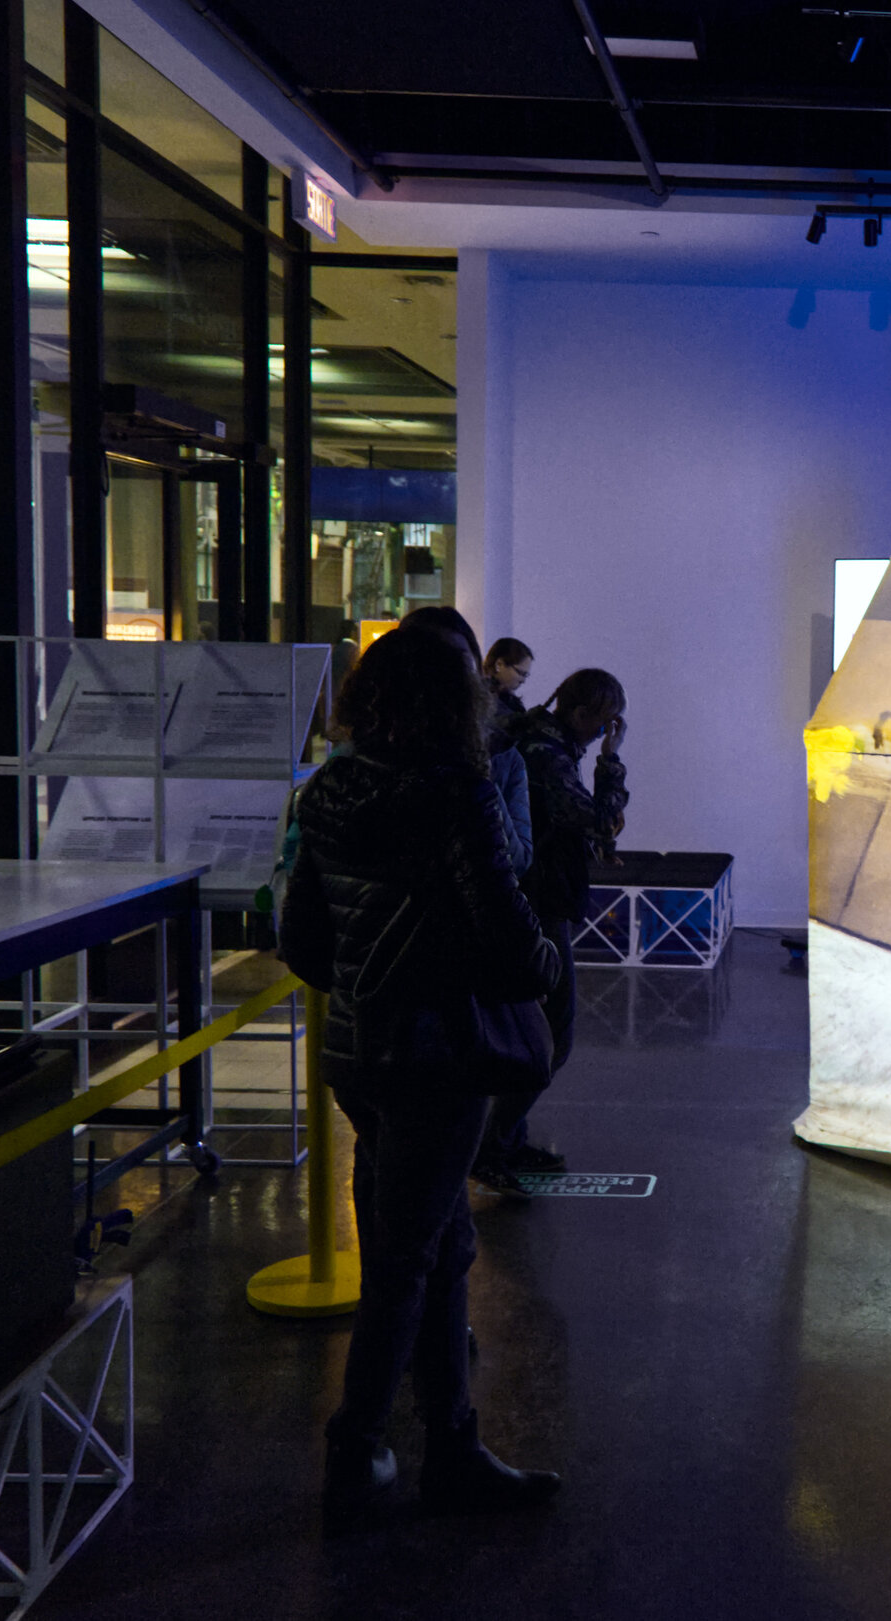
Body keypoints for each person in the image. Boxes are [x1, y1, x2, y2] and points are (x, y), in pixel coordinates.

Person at [289, 627, 563, 1520]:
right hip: (440, 1058)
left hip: (359, 1059)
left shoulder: (328, 788)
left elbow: (301, 941)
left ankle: (452, 1446)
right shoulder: (457, 793)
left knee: (442, 1247)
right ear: (459, 703)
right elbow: (514, 951)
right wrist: (551, 962)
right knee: (408, 1262)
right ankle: (355, 1452)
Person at [474, 668, 628, 1191]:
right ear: (584, 714)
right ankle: (492, 1146)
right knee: (553, 1036)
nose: (604, 733)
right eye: (605, 723)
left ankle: (505, 1141)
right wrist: (612, 762)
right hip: (538, 906)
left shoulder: (532, 737)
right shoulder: (549, 753)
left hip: (529, 899)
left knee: (531, 1029)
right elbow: (599, 817)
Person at [401, 608, 532, 874]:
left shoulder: (502, 755)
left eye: (456, 666)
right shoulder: (349, 770)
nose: (442, 681)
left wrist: (480, 777)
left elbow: (516, 860)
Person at [484, 637, 533, 727]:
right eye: (520, 673)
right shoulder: (477, 697)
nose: (523, 681)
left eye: (525, 675)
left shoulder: (512, 703)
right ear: (499, 664)